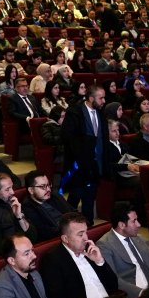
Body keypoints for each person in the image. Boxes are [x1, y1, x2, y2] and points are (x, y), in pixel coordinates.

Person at [39, 212, 119, 298]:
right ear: (65, 239)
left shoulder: (90, 250)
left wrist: (100, 262)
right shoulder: (53, 260)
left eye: (86, 232)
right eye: (80, 234)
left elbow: (114, 285)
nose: (86, 238)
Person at [97, 202, 149, 298]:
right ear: (121, 225)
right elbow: (114, 279)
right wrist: (142, 293)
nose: (139, 224)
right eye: (134, 221)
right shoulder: (105, 245)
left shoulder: (139, 238)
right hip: (134, 294)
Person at [61, 85, 107, 222]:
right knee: (74, 197)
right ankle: (66, 224)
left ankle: (89, 225)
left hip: (95, 164)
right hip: (78, 165)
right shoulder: (75, 112)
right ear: (91, 98)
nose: (104, 101)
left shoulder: (101, 113)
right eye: (101, 98)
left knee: (89, 198)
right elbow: (67, 137)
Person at [21, 170, 74, 242]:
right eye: (43, 186)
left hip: (72, 231)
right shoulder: (28, 208)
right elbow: (45, 234)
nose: (48, 189)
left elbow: (73, 212)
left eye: (48, 185)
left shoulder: (55, 195)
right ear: (31, 190)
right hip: (59, 240)